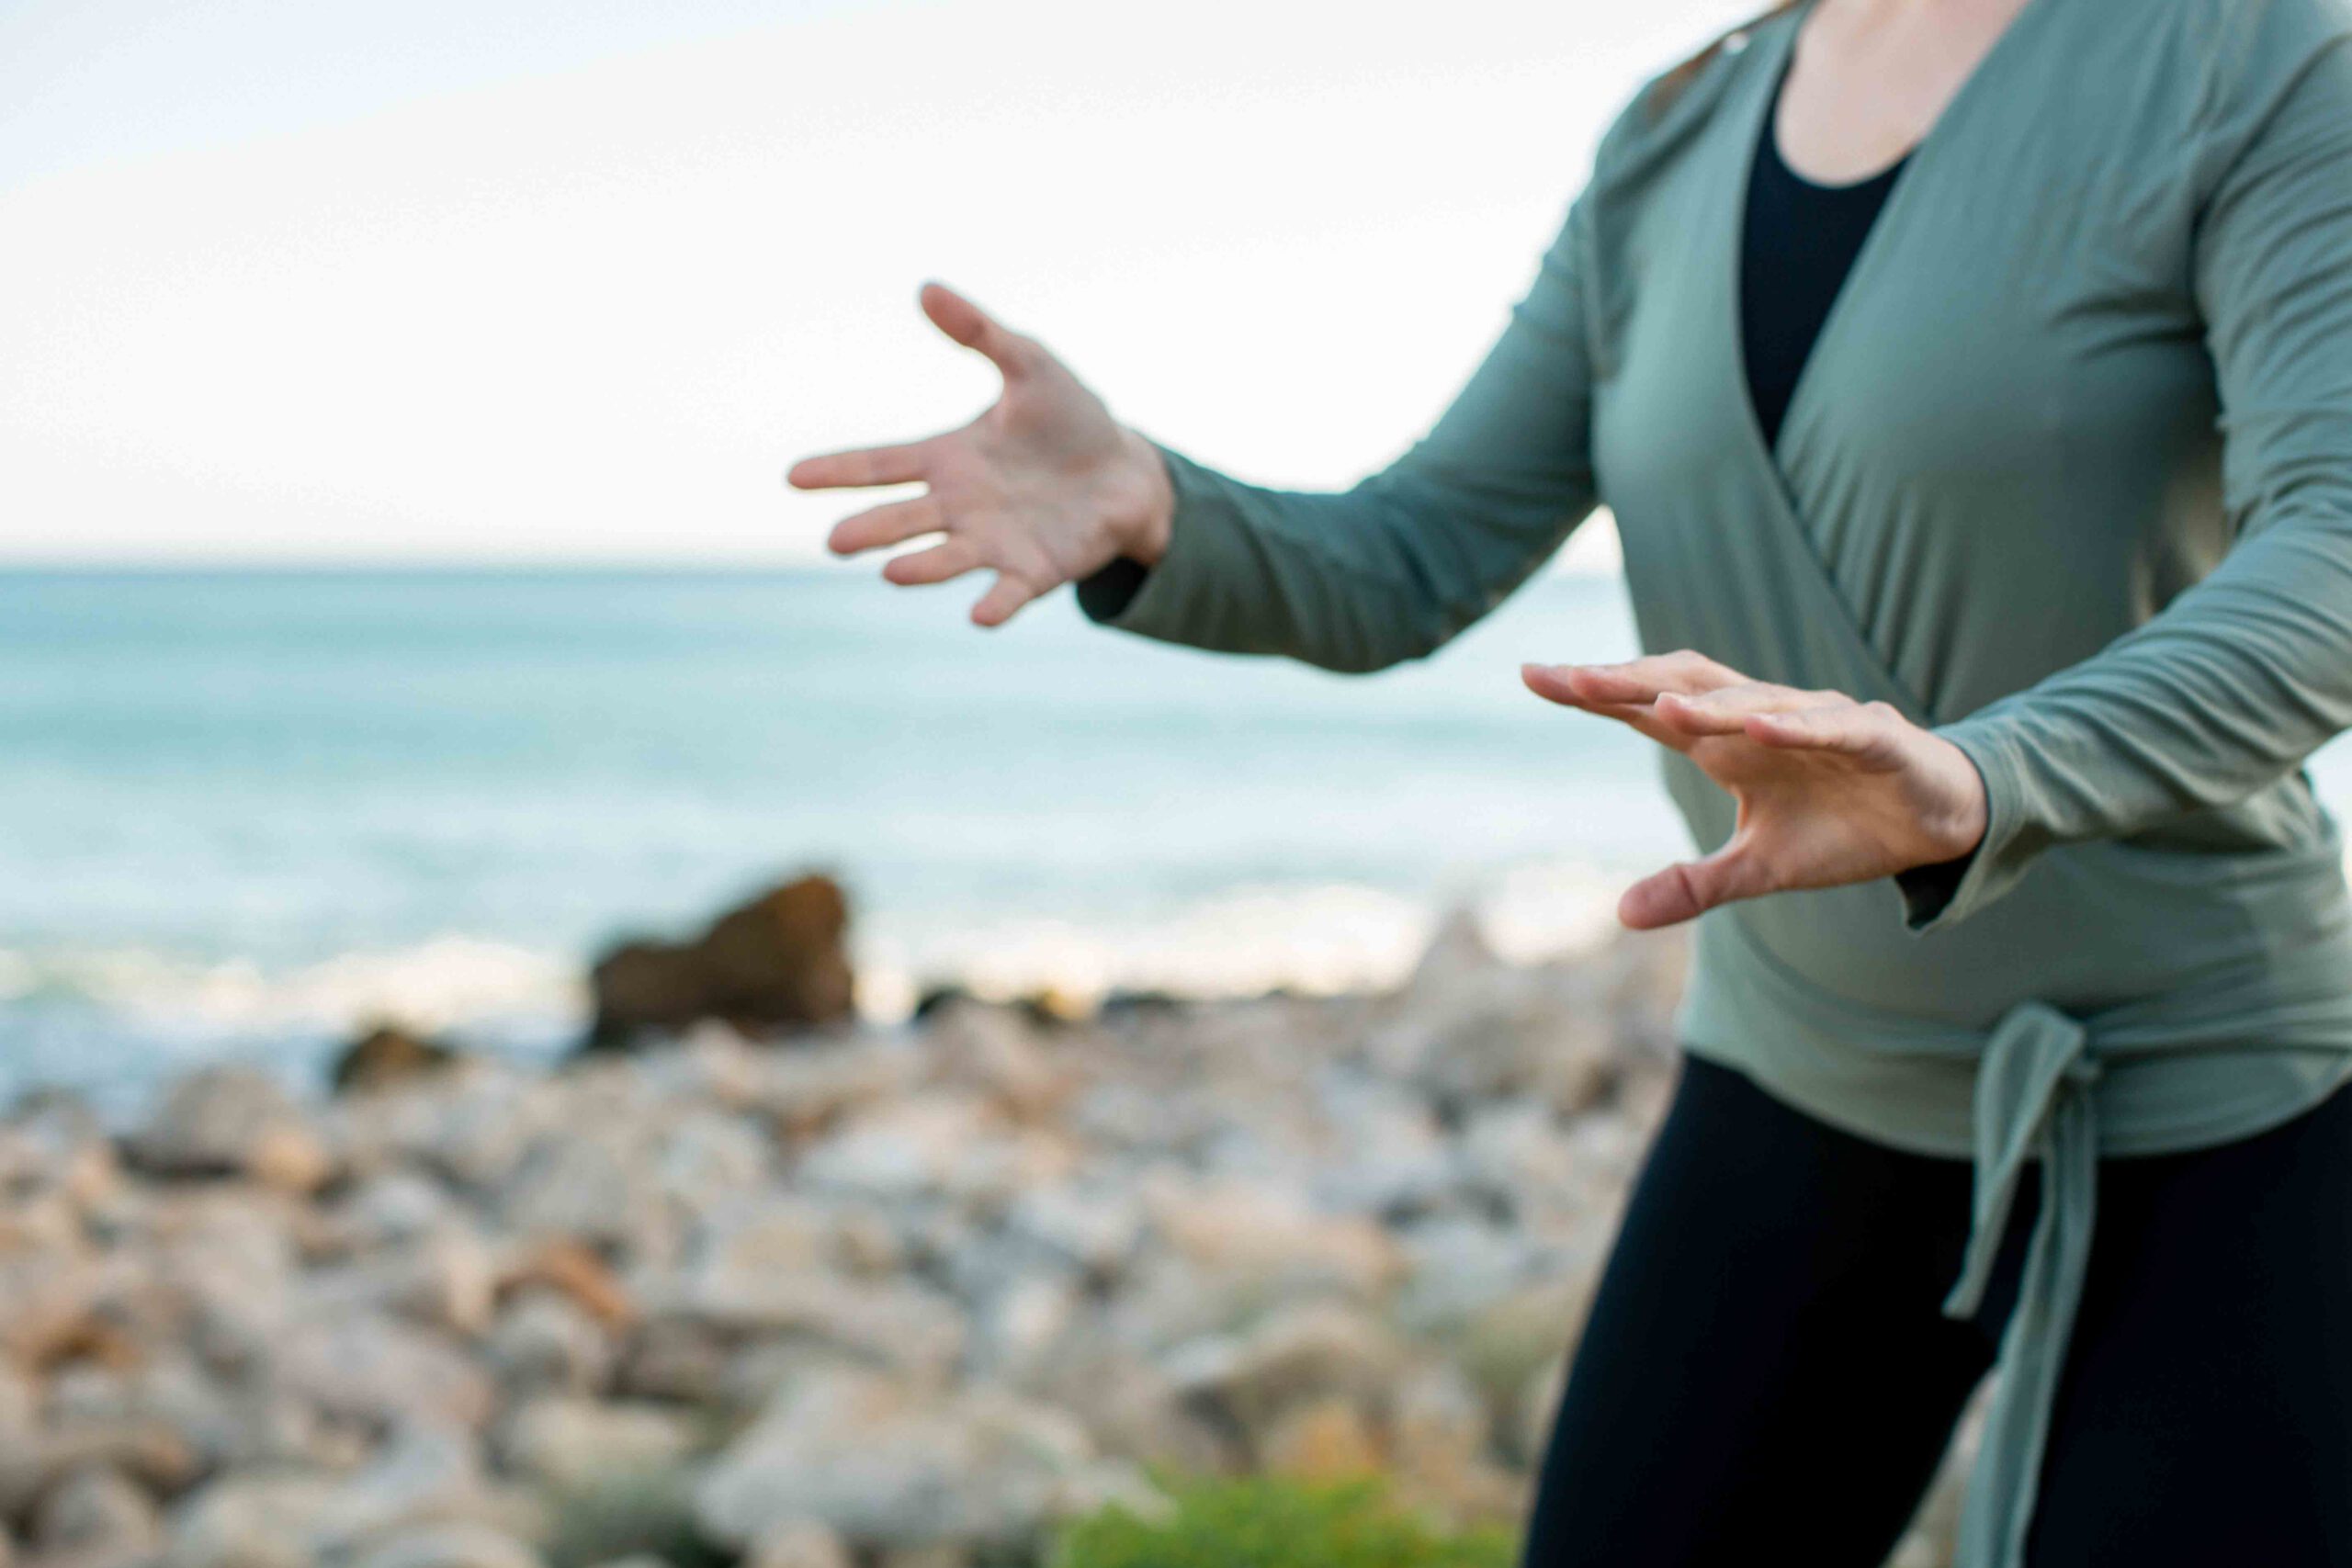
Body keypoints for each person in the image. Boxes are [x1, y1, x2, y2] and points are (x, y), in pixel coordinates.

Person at [787, 0, 2352, 1560]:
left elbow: (2331, 550)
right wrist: (1156, 509)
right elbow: (1415, 557)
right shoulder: (1673, 139)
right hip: (1796, 1066)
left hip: (2206, 1088)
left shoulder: (2257, 59)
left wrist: (1980, 779)